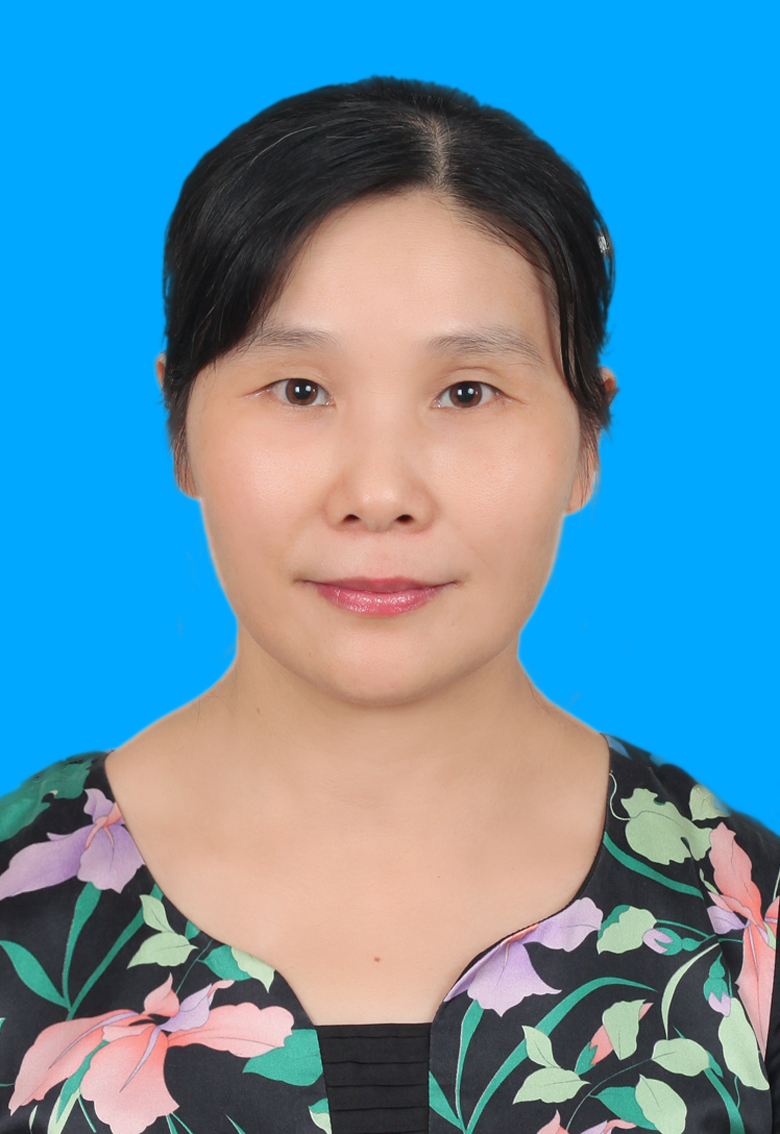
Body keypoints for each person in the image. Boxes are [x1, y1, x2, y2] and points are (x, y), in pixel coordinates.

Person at [0, 77, 776, 1134]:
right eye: (300, 390)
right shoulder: (17, 908)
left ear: (588, 440)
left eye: (467, 393)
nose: (378, 494)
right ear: (179, 425)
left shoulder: (745, 928)